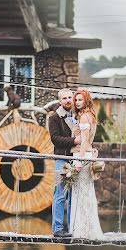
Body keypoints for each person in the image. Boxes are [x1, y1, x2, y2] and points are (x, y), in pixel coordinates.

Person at [70, 88, 104, 240]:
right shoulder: (91, 116)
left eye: (80, 100)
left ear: (86, 100)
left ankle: (82, 231)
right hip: (88, 155)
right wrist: (92, 150)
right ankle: (88, 229)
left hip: (81, 156)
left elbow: (84, 141)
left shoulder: (84, 117)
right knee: (87, 193)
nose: (77, 102)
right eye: (76, 100)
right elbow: (89, 140)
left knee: (81, 194)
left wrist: (79, 160)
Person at [48, 88, 81, 237]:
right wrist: (74, 140)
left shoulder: (79, 115)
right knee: (60, 195)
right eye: (64, 98)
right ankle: (58, 229)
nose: (68, 100)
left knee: (74, 195)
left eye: (70, 97)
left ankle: (72, 228)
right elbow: (55, 139)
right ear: (60, 101)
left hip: (76, 160)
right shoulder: (54, 118)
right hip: (62, 160)